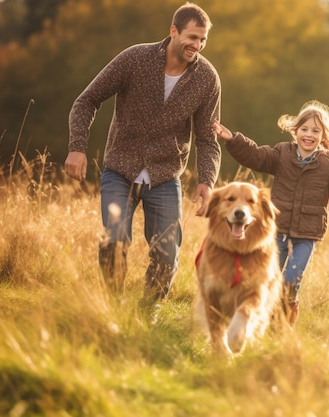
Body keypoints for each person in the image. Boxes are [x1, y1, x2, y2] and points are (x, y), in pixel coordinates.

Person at [64, 3, 221, 312]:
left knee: (166, 253)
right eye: (192, 37)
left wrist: (207, 181)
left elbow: (207, 138)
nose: (197, 46)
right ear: (173, 31)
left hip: (165, 176)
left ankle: (147, 313)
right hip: (120, 168)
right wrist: (77, 146)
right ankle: (112, 306)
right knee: (115, 239)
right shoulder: (135, 58)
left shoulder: (207, 79)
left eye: (203, 40)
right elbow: (87, 101)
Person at [212, 101, 329, 326]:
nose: (309, 135)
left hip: (306, 236)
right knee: (270, 279)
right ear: (295, 131)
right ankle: (264, 320)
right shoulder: (282, 154)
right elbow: (256, 156)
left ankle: (285, 324)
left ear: (323, 136)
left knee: (290, 281)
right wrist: (233, 140)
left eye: (315, 131)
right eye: (304, 129)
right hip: (277, 230)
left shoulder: (327, 164)